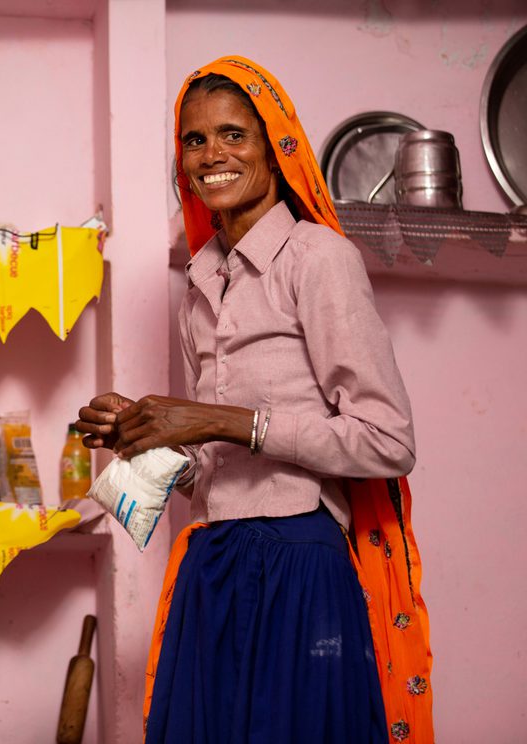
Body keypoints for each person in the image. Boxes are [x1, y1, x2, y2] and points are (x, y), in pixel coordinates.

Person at [77, 57, 433, 743]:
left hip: (300, 562)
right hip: (212, 562)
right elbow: (208, 477)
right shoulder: (201, 279)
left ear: (276, 147)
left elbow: (389, 441)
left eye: (234, 135)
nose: (213, 155)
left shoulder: (317, 258)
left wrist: (221, 420)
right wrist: (142, 432)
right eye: (195, 140)